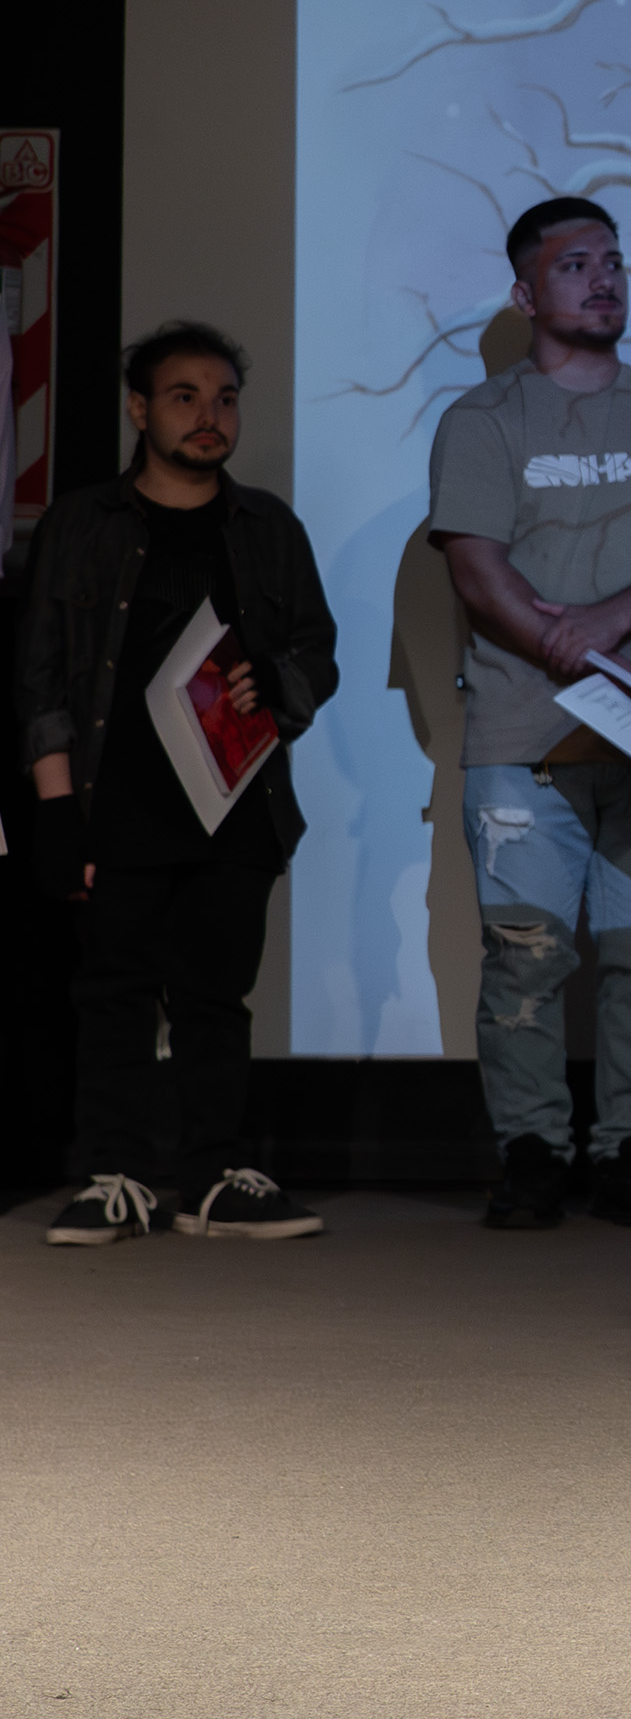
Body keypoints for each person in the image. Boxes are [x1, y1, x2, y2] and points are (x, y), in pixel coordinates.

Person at [429, 196, 631, 1231]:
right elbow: (477, 569)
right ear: (525, 294)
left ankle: (630, 1151)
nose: (603, 278)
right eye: (574, 265)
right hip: (523, 736)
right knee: (524, 955)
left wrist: (606, 623)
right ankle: (530, 1153)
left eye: (612, 260)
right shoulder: (484, 418)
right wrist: (562, 641)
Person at [22, 324, 338, 1244]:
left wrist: (278, 681)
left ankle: (213, 1176)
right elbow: (41, 677)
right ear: (139, 409)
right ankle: (113, 1174)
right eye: (185, 396)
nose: (210, 415)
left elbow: (317, 650)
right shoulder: (82, 523)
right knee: (112, 992)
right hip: (114, 799)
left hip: (236, 799)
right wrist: (55, 810)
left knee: (215, 995)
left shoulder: (269, 526)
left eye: (225, 398)